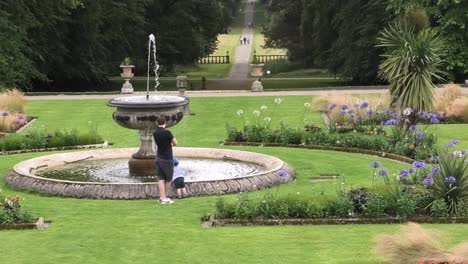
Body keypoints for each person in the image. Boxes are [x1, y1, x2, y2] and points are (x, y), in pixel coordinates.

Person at [153, 116, 177, 204]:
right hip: (167, 158)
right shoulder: (167, 132)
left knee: (161, 178)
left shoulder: (155, 133)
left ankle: (162, 197)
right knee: (168, 179)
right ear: (165, 123)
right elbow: (175, 142)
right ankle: (165, 197)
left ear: (157, 123)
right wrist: (170, 143)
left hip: (159, 157)